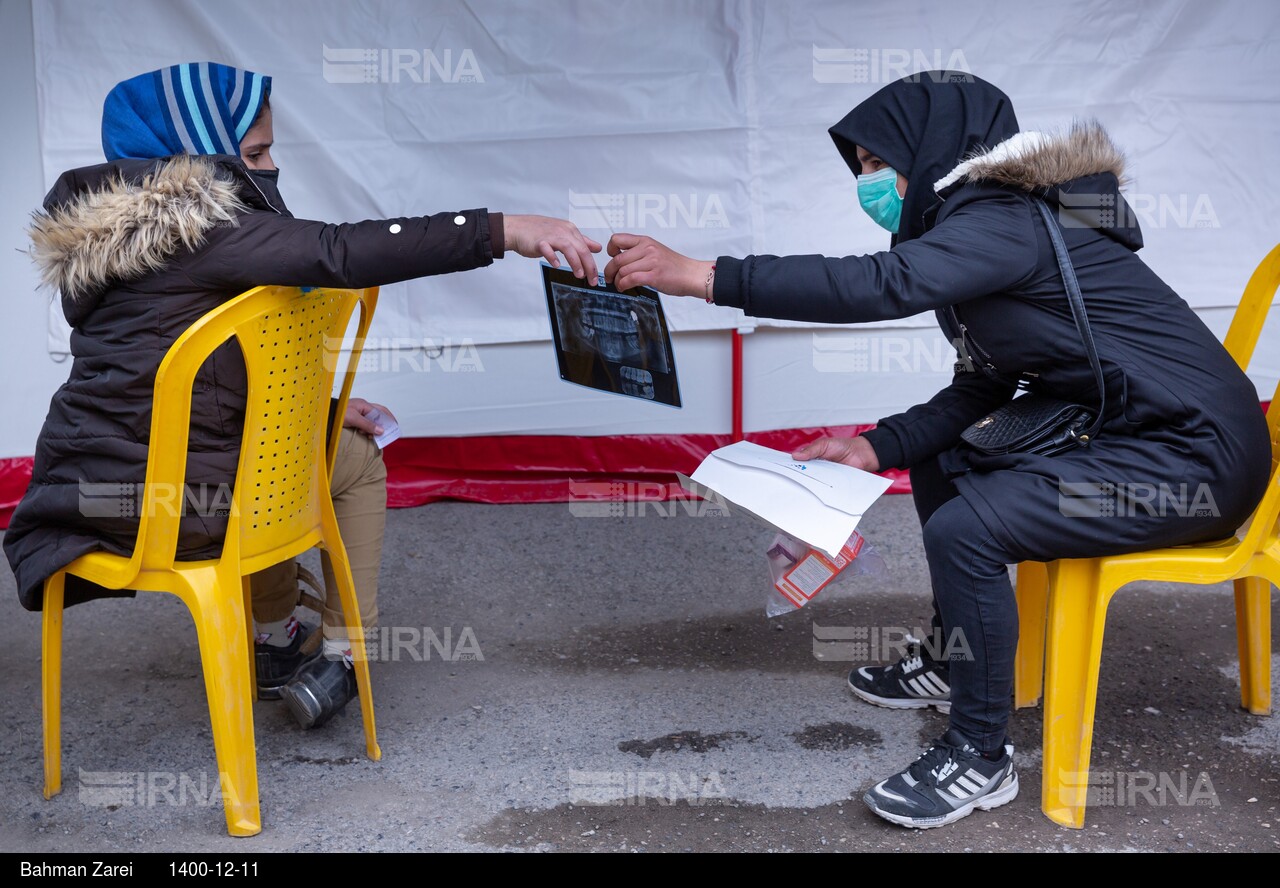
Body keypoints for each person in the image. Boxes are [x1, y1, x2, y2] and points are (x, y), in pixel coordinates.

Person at [603, 71, 1271, 828]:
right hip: (1136, 433)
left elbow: (880, 285)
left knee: (969, 529)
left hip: (1194, 460)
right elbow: (981, 389)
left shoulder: (1004, 219)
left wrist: (705, 276)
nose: (868, 183)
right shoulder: (982, 234)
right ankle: (958, 659)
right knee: (944, 460)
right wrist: (872, 446)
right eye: (860, 167)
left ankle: (981, 757)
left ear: (934, 149)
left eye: (876, 163)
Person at [4, 61, 602, 729]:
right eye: (255, 153)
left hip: (84, 493)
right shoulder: (204, 228)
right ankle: (340, 655)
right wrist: (505, 229)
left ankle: (276, 642)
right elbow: (341, 251)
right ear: (200, 153)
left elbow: (187, 384)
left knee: (259, 451)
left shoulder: (110, 241)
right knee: (342, 465)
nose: (268, 168)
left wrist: (323, 408)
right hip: (189, 506)